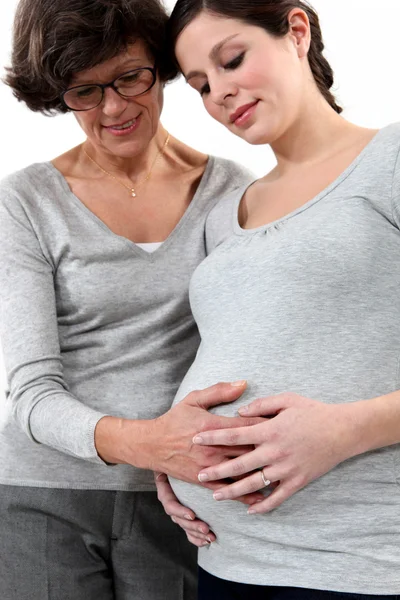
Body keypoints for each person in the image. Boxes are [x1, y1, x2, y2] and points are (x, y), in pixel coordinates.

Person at [0, 0, 264, 597]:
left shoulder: (235, 192)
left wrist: (187, 461)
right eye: (84, 91)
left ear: (160, 64)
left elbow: (252, 353)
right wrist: (154, 447)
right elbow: (32, 396)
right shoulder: (25, 203)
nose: (114, 107)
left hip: (183, 501)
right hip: (45, 496)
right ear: (55, 92)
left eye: (129, 76)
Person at [157, 0, 400, 598]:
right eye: (201, 85)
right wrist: (171, 453)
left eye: (232, 59)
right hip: (225, 561)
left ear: (296, 31)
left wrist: (343, 430)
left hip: (356, 562)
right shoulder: (222, 214)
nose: (220, 93)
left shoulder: (389, 161)